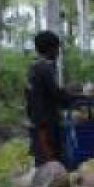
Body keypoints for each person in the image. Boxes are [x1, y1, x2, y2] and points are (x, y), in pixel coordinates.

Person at [26, 30, 75, 165]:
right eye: (57, 48)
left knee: (43, 156)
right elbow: (56, 94)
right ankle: (50, 184)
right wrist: (71, 95)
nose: (58, 53)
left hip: (37, 120)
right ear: (51, 49)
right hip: (45, 123)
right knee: (49, 159)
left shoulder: (34, 67)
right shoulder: (44, 69)